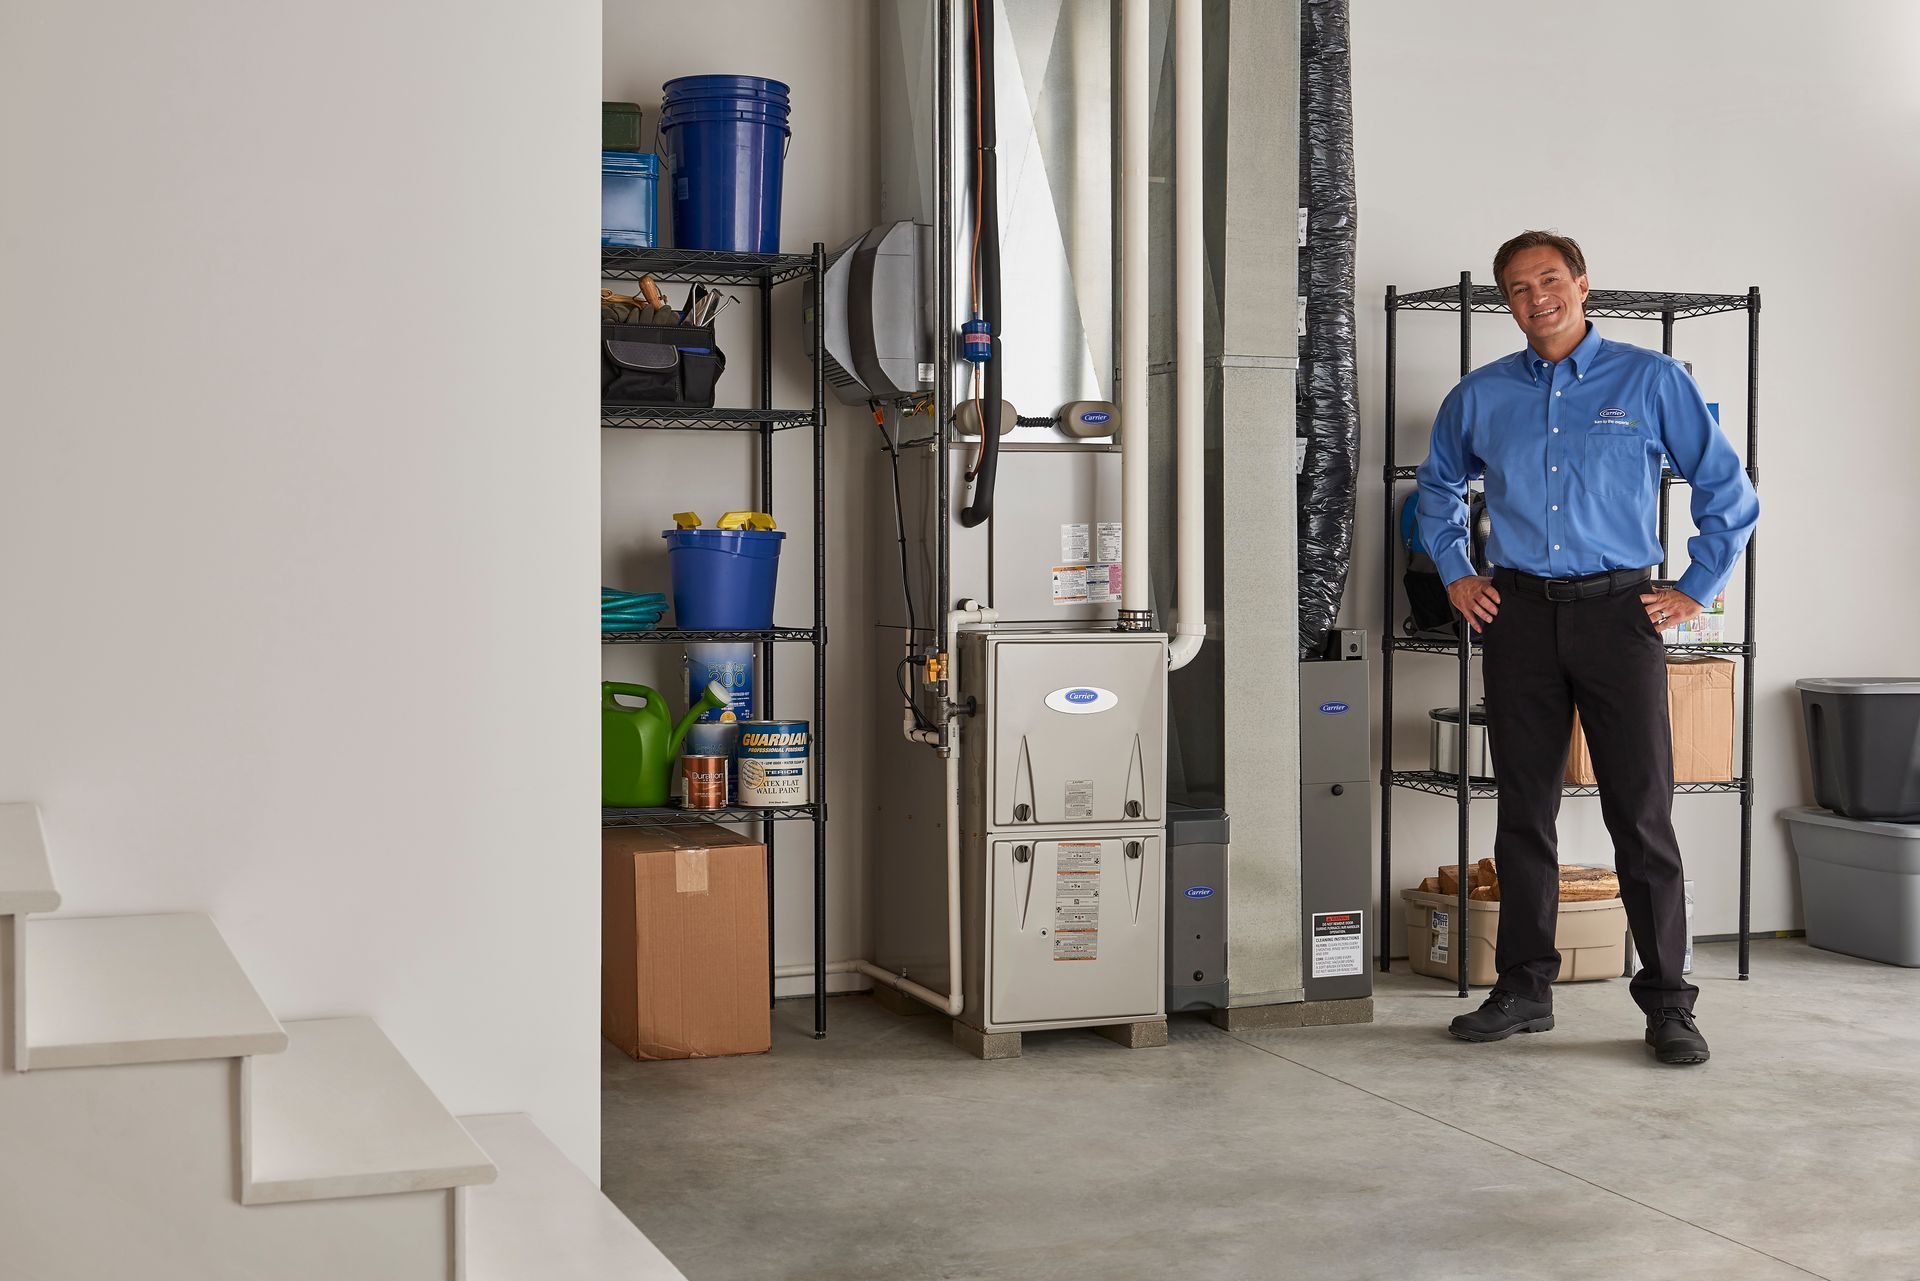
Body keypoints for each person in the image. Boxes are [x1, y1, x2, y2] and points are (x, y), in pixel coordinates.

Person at [1414, 230, 1758, 1065]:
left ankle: (1669, 1004)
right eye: (1520, 287)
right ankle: (1524, 990)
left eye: (1551, 279)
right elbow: (1433, 489)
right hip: (1519, 618)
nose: (1538, 297)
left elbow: (1727, 490)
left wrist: (1695, 585)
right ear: (1506, 302)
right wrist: (1457, 573)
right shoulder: (1481, 394)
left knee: (1640, 813)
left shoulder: (1652, 379)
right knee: (1523, 812)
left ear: (1582, 284)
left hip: (1620, 616)